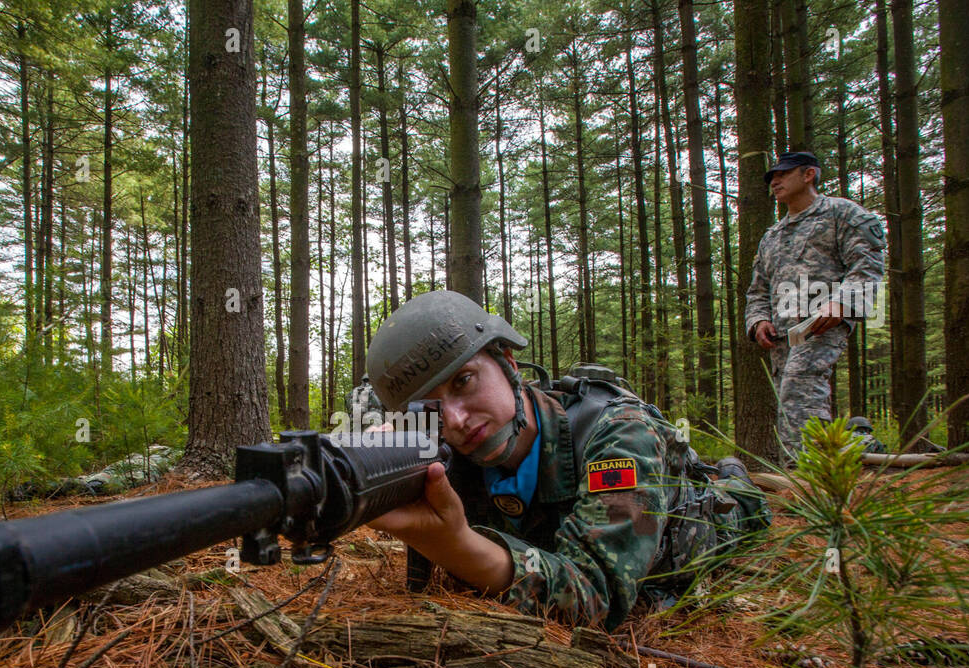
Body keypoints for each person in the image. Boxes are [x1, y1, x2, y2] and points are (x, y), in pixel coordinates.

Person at [364, 290, 770, 629]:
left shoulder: (618, 435)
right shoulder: (448, 457)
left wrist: (454, 544)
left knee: (742, 506)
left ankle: (734, 475)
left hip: (696, 526)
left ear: (507, 361)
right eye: (430, 411)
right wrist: (387, 477)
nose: (455, 419)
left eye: (464, 381)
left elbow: (598, 598)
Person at [744, 152, 886, 464]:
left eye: (783, 174)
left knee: (799, 389)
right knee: (789, 400)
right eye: (771, 178)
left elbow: (868, 266)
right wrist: (758, 321)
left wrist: (842, 303)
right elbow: (758, 290)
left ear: (809, 175)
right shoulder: (773, 236)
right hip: (783, 334)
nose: (775, 181)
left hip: (823, 324)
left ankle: (807, 477)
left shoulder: (843, 214)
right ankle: (857, 445)